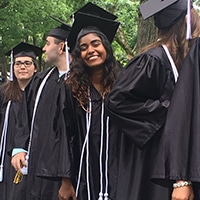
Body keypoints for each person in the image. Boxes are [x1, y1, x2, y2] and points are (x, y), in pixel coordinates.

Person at [105, 0, 200, 199]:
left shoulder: (179, 60)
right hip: (148, 161)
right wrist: (173, 111)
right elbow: (118, 102)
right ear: (185, 22)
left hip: (167, 159)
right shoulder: (152, 60)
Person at [11, 20, 76, 200]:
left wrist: (67, 177)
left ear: (61, 47)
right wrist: (19, 147)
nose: (44, 48)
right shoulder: (41, 80)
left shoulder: (79, 82)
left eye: (48, 43)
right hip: (35, 166)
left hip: (62, 172)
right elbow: (25, 115)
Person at [65, 10, 121, 200]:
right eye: (84, 47)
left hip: (119, 167)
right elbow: (64, 134)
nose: (91, 50)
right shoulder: (71, 88)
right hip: (82, 171)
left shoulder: (125, 83)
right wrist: (65, 180)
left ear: (106, 46)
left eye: (96, 44)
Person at [0, 42, 42, 200]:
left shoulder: (42, 93)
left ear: (35, 67)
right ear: (13, 67)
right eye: (18, 63)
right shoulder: (3, 93)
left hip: (32, 154)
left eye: (27, 63)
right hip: (5, 155)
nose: (22, 67)